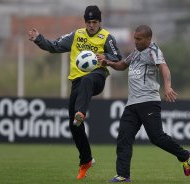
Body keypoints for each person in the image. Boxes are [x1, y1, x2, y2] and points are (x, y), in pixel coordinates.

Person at [28, 5, 122, 180]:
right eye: (88, 22)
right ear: (85, 22)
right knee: (74, 125)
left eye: (94, 22)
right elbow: (54, 46)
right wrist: (38, 39)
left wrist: (106, 59)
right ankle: (86, 160)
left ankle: (81, 112)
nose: (91, 25)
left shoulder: (107, 38)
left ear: (100, 22)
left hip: (97, 78)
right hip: (77, 84)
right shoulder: (76, 35)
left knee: (87, 81)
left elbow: (118, 58)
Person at [98, 25, 190, 182]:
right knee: (123, 137)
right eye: (134, 38)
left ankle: (184, 155)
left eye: (138, 39)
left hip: (149, 102)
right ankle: (123, 175)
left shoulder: (153, 51)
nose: (135, 41)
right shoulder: (135, 52)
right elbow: (122, 65)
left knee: (157, 137)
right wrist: (108, 63)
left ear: (149, 39)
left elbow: (164, 67)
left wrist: (168, 86)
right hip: (132, 104)